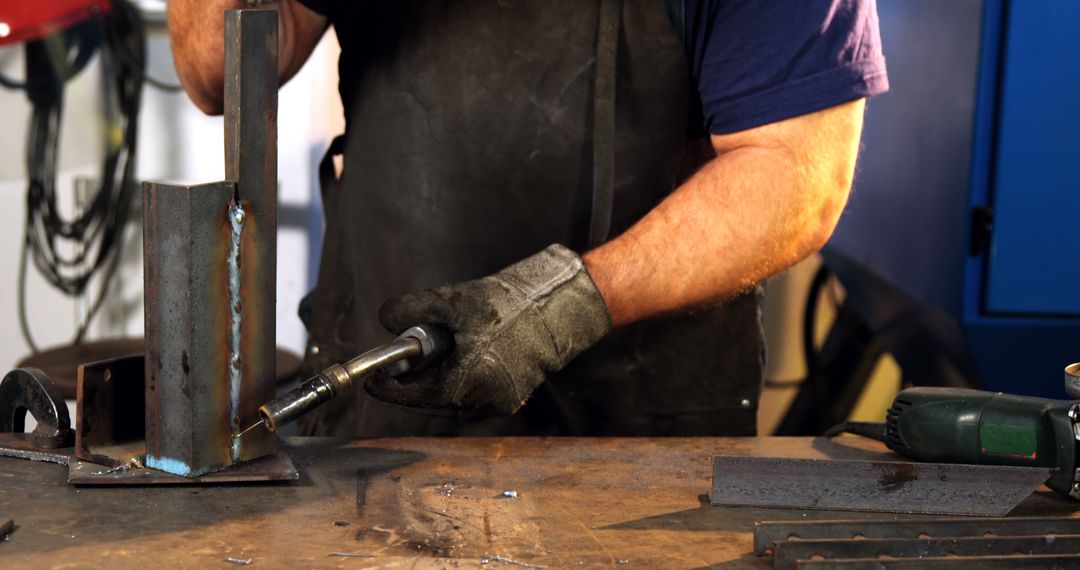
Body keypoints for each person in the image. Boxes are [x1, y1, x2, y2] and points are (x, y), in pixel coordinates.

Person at [169, 0, 888, 438]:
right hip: (378, 416)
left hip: (636, 446)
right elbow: (216, 68)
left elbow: (797, 173)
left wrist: (558, 307)